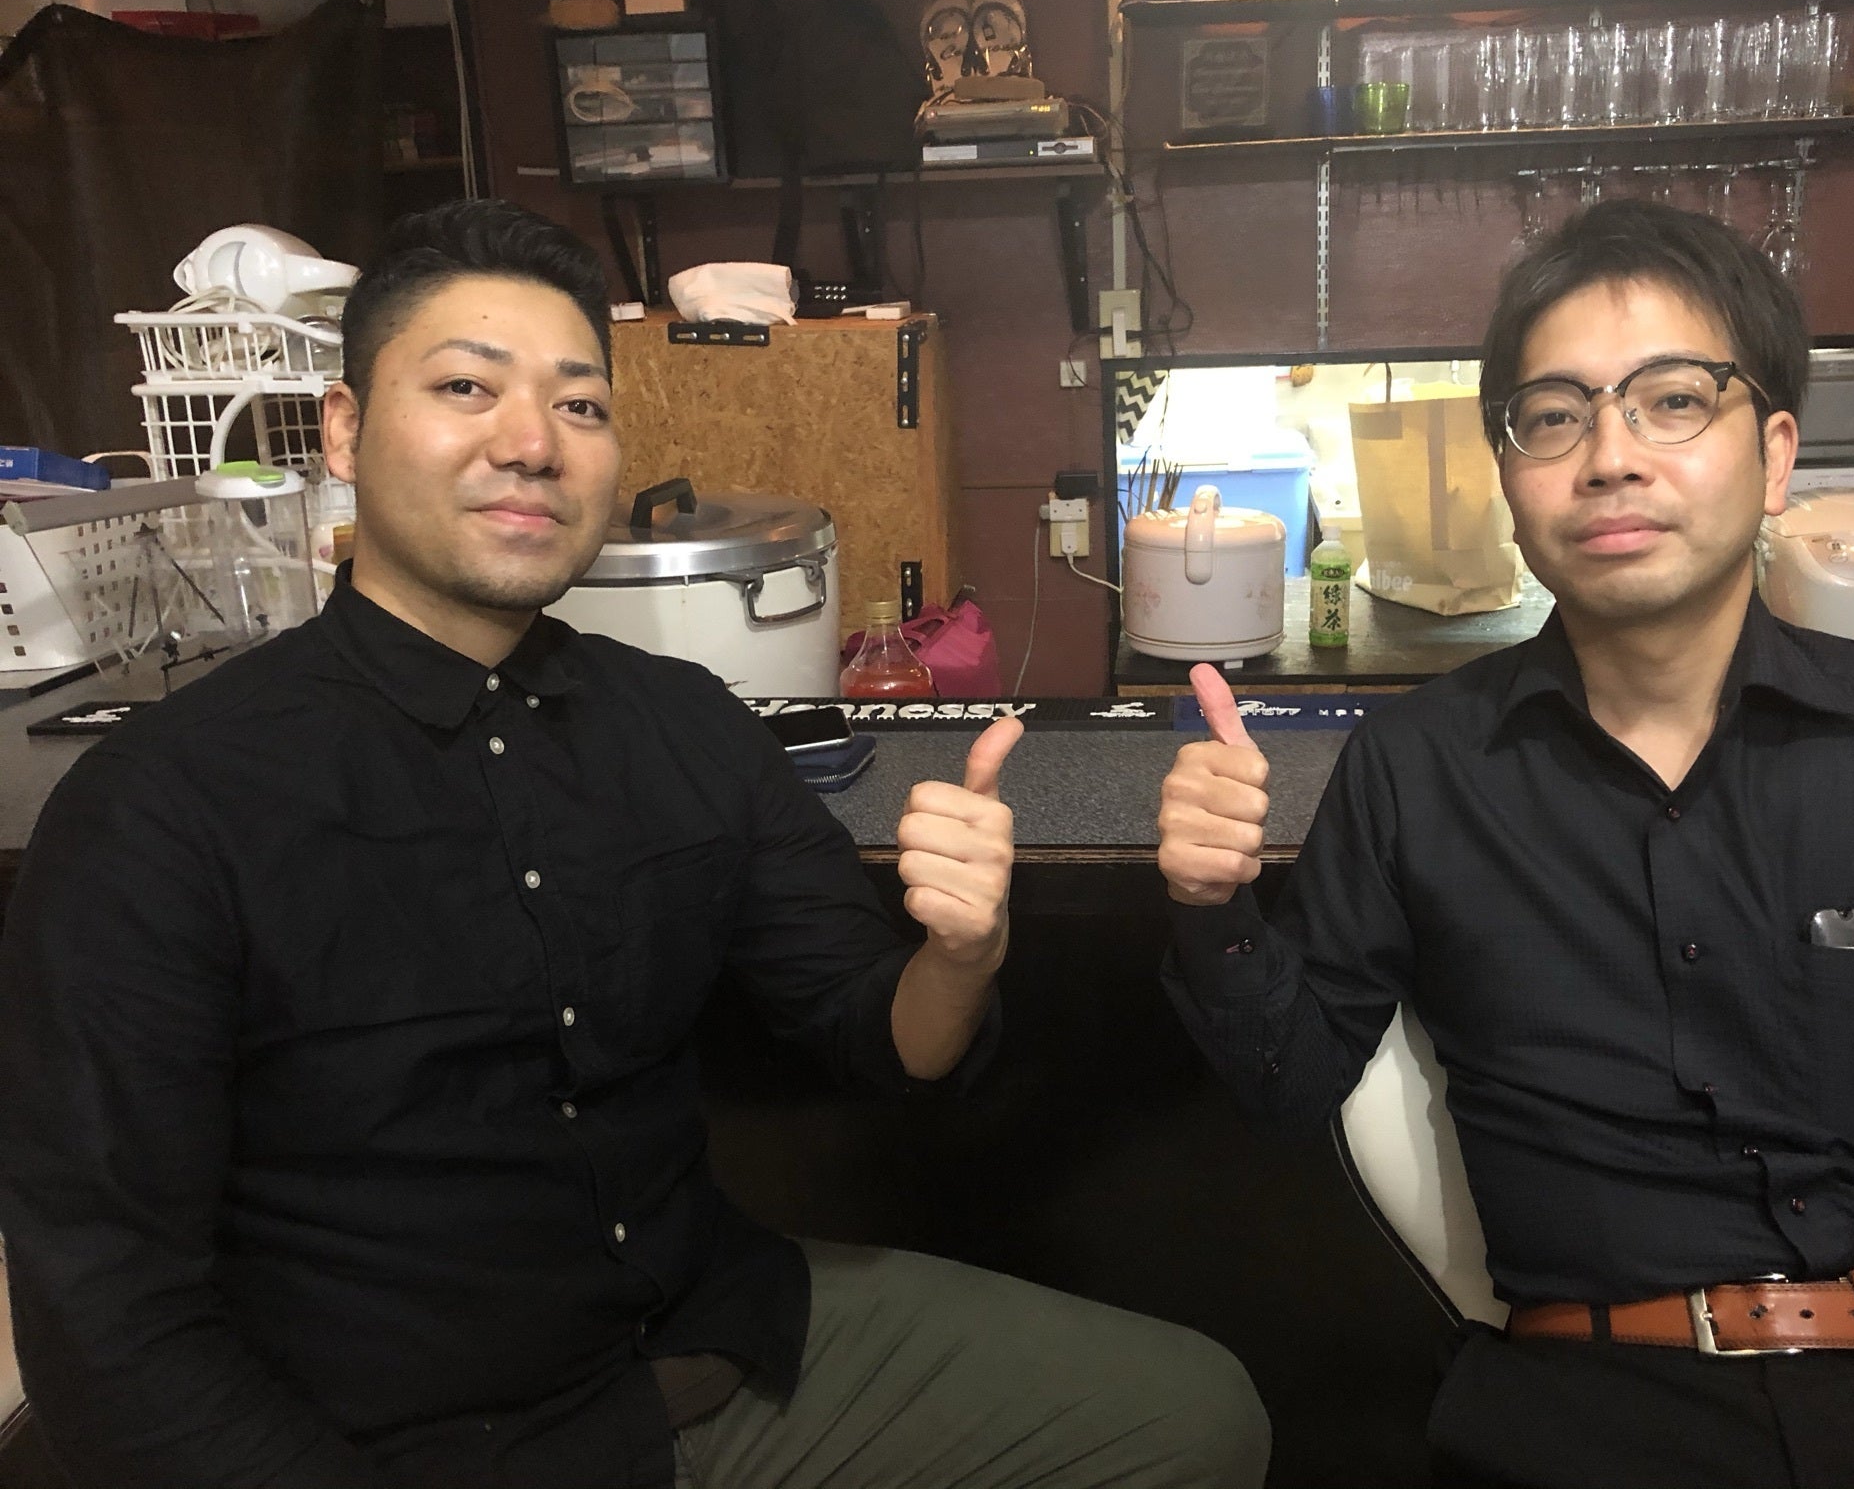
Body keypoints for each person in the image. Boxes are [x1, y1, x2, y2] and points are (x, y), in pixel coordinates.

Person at [0, 198, 1268, 1489]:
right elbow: (109, 1317)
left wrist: (961, 955)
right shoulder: (164, 804)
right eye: (464, 387)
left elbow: (877, 1036)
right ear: (343, 428)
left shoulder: (680, 723)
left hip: (713, 1349)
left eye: (580, 404)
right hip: (399, 1438)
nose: (531, 442)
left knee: (1189, 1417)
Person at [1155, 198, 1854, 1489]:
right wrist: (1211, 904)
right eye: (1555, 416)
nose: (1610, 458)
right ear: (1509, 475)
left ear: (1775, 454)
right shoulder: (1419, 767)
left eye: (1673, 401)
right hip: (1576, 1420)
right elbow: (1288, 1085)